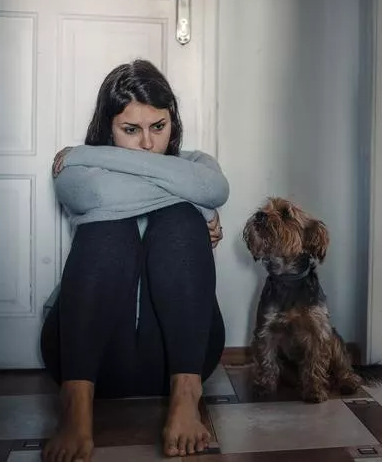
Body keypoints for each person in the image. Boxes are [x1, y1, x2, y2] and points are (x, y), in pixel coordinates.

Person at [39, 59, 229, 462]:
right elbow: (95, 200)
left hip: (179, 359)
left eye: (158, 127)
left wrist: (91, 156)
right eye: (131, 130)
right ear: (106, 127)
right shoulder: (77, 171)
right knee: (111, 227)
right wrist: (201, 207)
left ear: (172, 122)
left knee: (178, 221)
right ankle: (75, 405)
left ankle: (185, 397)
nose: (147, 144)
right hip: (90, 357)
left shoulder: (193, 163)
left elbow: (215, 187)